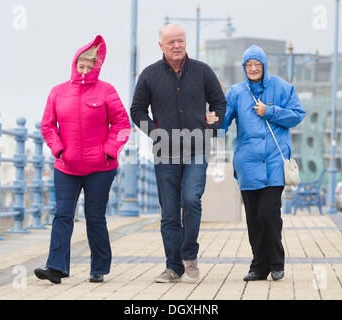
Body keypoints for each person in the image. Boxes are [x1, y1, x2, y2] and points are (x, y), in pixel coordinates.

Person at [130, 24, 226, 283]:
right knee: (170, 211)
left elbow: (219, 102)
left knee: (192, 199)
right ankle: (174, 267)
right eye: (171, 42)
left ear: (186, 43)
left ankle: (190, 256)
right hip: (164, 152)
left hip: (197, 147)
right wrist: (155, 132)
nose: (177, 45)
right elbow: (137, 110)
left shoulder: (202, 71)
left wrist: (212, 127)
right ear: (161, 45)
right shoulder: (150, 75)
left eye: (180, 41)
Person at [35, 35, 131, 284]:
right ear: (74, 65)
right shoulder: (58, 92)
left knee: (95, 216)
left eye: (91, 66)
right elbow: (47, 126)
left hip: (101, 167)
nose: (85, 70)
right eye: (81, 65)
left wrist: (108, 151)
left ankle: (99, 268)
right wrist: (59, 150)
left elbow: (121, 125)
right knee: (63, 214)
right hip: (66, 166)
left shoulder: (106, 90)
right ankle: (55, 268)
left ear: (97, 66)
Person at [221, 45, 305, 281]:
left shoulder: (281, 87)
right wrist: (212, 120)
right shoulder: (236, 92)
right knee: (254, 218)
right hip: (247, 164)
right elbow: (222, 125)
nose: (253, 68)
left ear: (264, 66)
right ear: (244, 68)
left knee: (269, 214)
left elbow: (297, 114)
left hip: (275, 163)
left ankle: (277, 263)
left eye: (257, 64)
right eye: (249, 65)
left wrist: (270, 111)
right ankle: (259, 266)